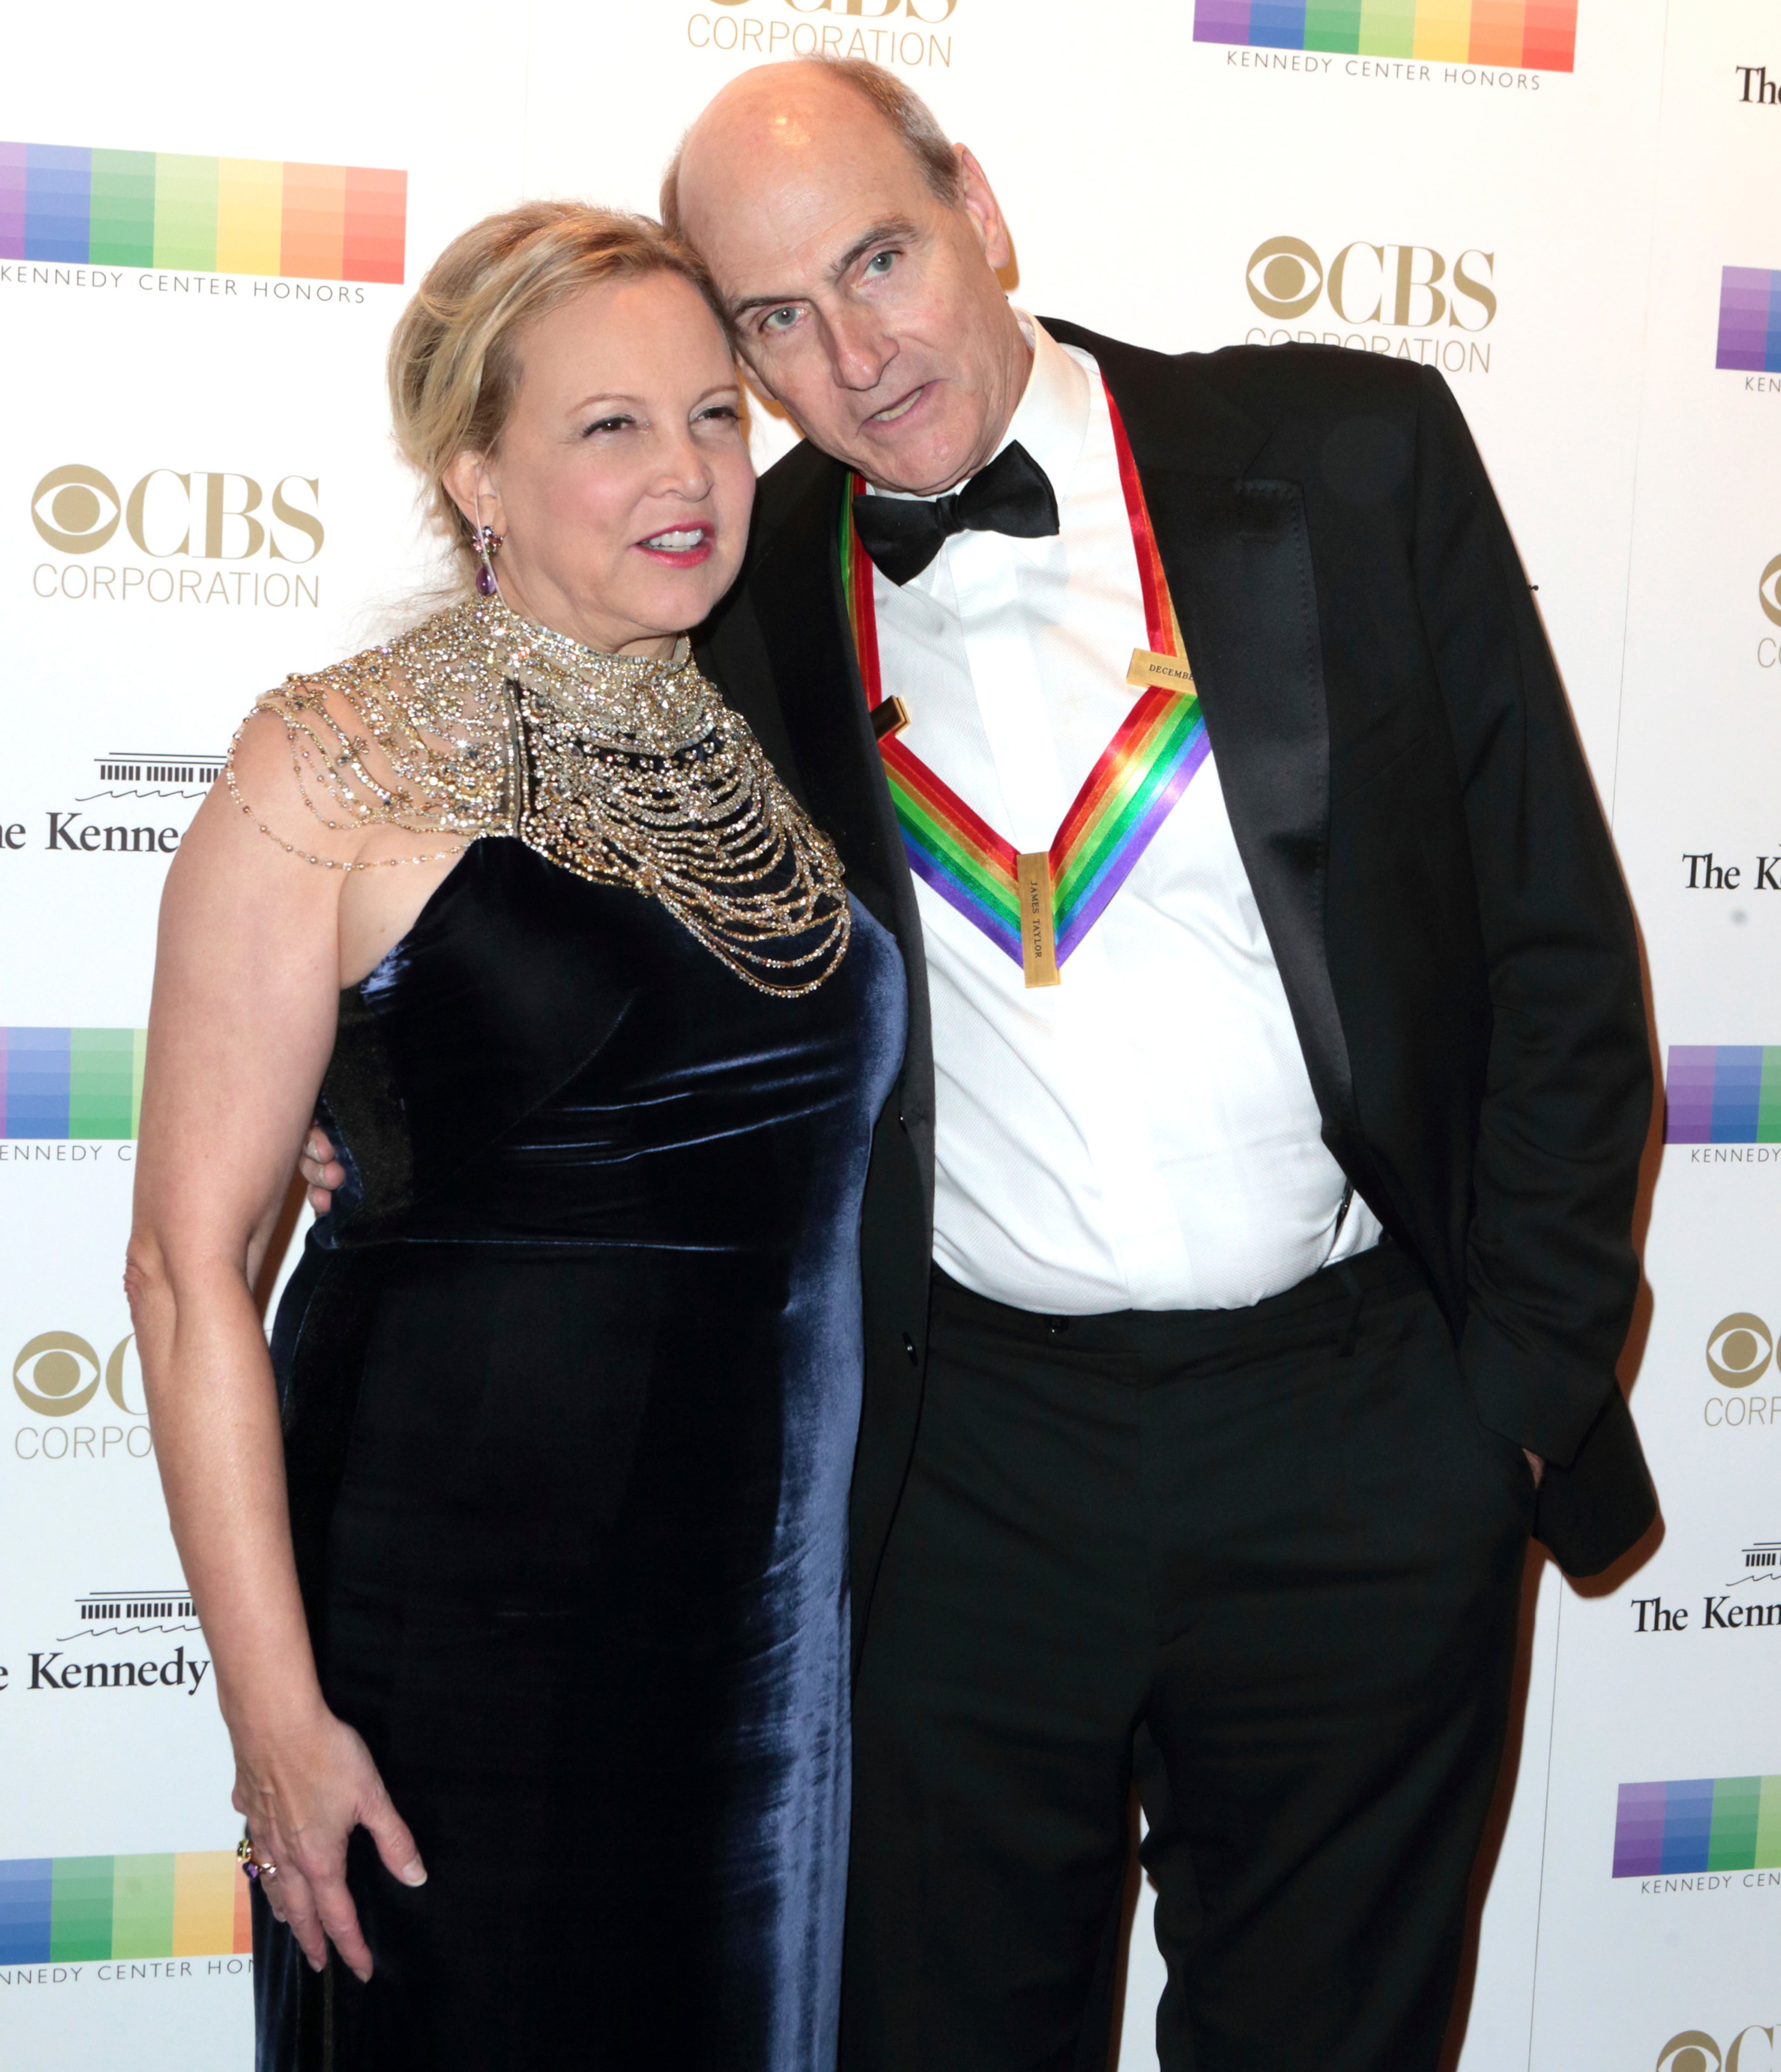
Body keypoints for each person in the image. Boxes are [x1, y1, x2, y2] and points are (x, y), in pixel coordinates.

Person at [301, 57, 1658, 2072]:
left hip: (1364, 1436)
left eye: (881, 257)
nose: (851, 350)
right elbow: (542, 881)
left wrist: (1500, 1418)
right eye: (770, 318)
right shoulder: (729, 583)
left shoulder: (1354, 452)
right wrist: (397, 1117)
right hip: (959, 1473)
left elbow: (1554, 950)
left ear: (981, 210)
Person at [126, 201, 904, 2072]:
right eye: (609, 425)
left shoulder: (773, 728)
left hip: (754, 1639)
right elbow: (183, 1270)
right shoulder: (333, 760)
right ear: (475, 470)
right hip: (448, 1623)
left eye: (717, 414)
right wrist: (279, 1726)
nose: (691, 472)